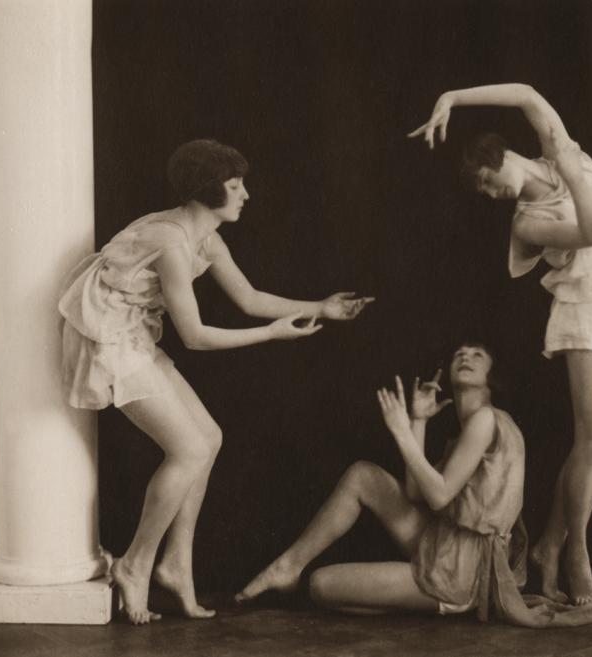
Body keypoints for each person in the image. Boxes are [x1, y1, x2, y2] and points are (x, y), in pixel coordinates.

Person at [57, 139, 373, 624]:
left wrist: (320, 307)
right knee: (188, 450)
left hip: (133, 336)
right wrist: (271, 336)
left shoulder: (205, 236)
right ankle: (136, 563)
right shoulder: (171, 241)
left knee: (209, 438)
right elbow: (196, 337)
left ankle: (176, 566)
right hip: (109, 342)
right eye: (234, 185)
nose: (245, 194)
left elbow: (249, 297)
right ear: (209, 192)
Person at [408, 84, 592, 606]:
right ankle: (576, 551)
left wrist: (451, 98)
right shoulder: (530, 222)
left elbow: (527, 95)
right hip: (590, 307)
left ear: (502, 156)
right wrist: (575, 173)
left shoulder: (553, 149)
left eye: (489, 179)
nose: (491, 193)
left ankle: (549, 544)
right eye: (483, 192)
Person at [235, 344, 592, 627]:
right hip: (443, 543)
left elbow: (437, 495)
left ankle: (435, 602)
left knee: (321, 585)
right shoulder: (469, 428)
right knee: (363, 474)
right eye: (459, 355)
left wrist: (401, 434)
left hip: (462, 571)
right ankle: (288, 565)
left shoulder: (488, 419)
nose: (466, 357)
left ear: (492, 377)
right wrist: (419, 422)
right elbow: (418, 493)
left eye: (478, 355)